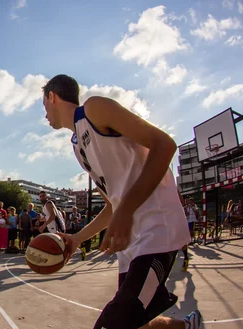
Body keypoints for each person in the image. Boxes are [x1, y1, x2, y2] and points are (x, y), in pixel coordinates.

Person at [42, 74, 201, 329]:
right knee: (134, 321)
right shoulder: (77, 147)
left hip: (158, 231)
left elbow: (165, 145)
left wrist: (126, 210)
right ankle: (187, 326)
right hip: (132, 242)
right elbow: (111, 205)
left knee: (114, 322)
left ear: (52, 97)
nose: (45, 114)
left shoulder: (94, 110)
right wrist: (78, 238)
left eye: (44, 105)